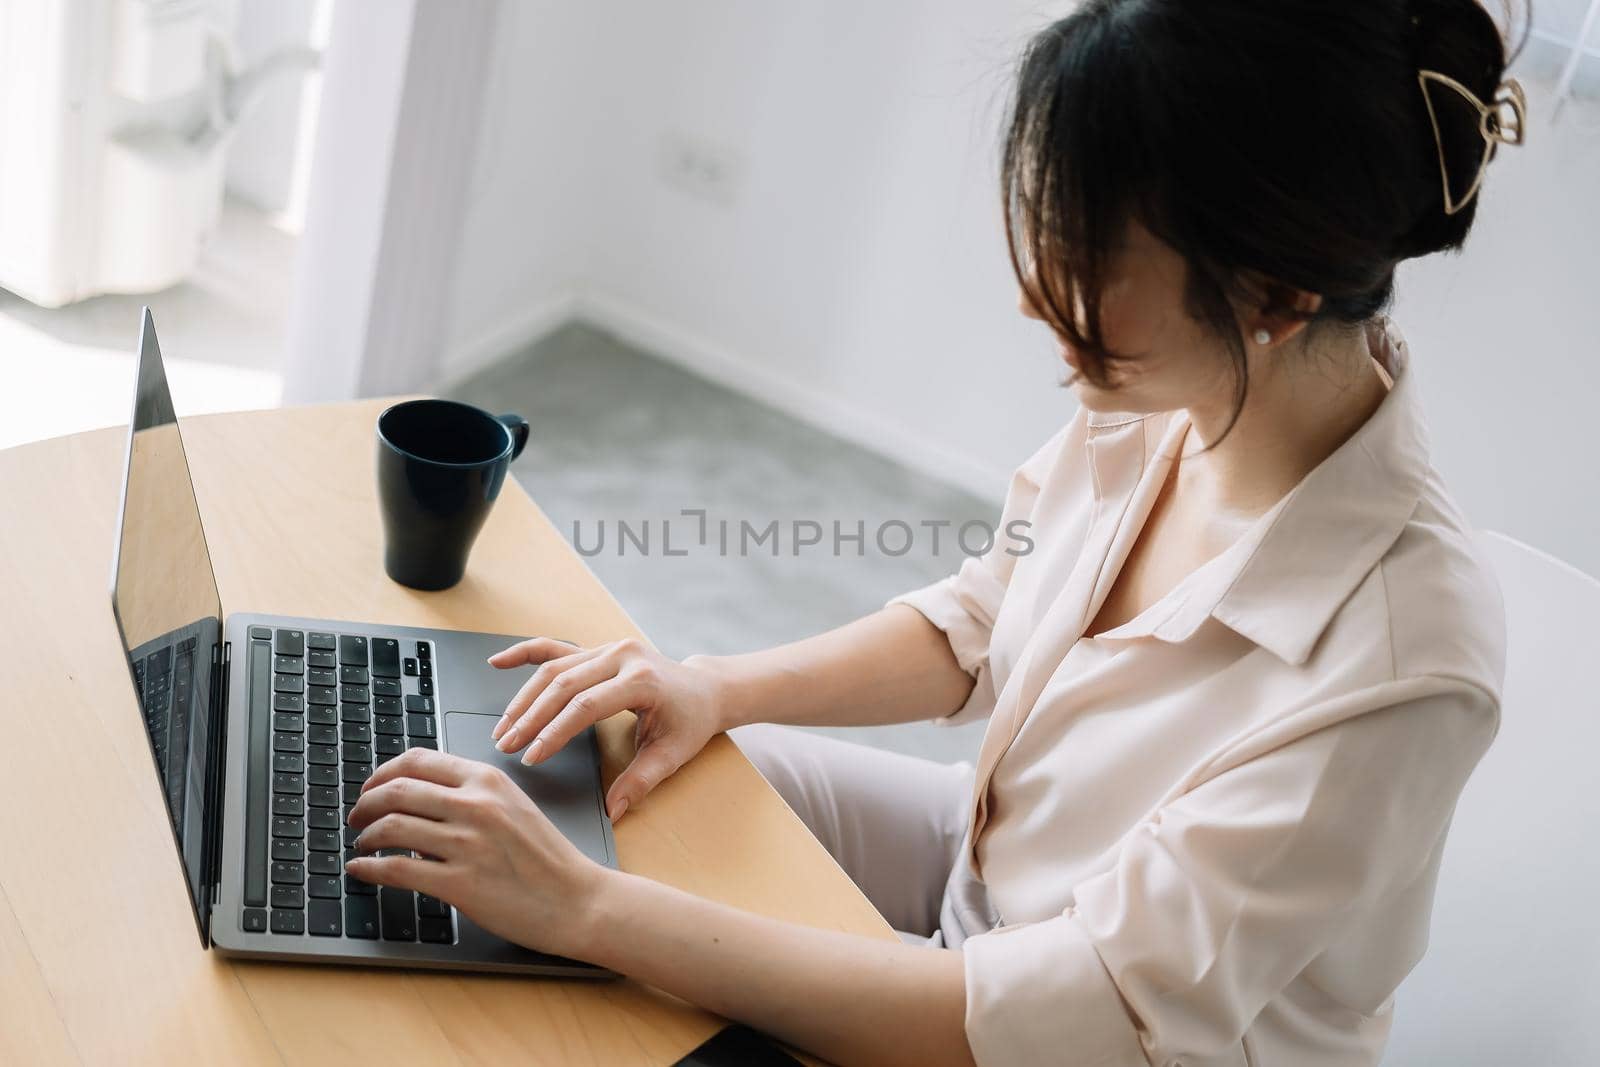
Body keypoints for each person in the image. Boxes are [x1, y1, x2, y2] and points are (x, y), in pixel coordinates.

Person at [342, 2, 1526, 1063]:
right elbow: (982, 621)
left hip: (1088, 1035)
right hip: (980, 872)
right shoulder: (1173, 402)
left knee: (595, 939)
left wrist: (588, 911)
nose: (1033, 294)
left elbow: (1076, 1014)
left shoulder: (1399, 663)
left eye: (1091, 255)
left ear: (1274, 298)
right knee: (625, 778)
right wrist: (710, 684)